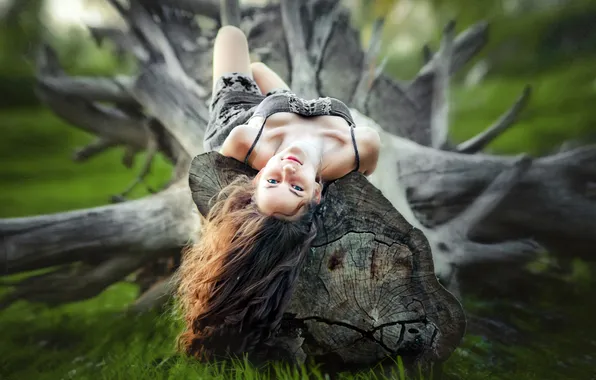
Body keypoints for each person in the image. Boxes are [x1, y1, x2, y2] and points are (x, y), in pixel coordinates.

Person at [175, 26, 381, 361]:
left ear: (255, 180)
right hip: (294, 109)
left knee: (231, 36)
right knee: (260, 71)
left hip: (242, 113)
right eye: (296, 187)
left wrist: (278, 125)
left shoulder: (244, 141)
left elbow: (265, 130)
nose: (286, 171)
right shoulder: (359, 147)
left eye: (273, 183)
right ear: (316, 193)